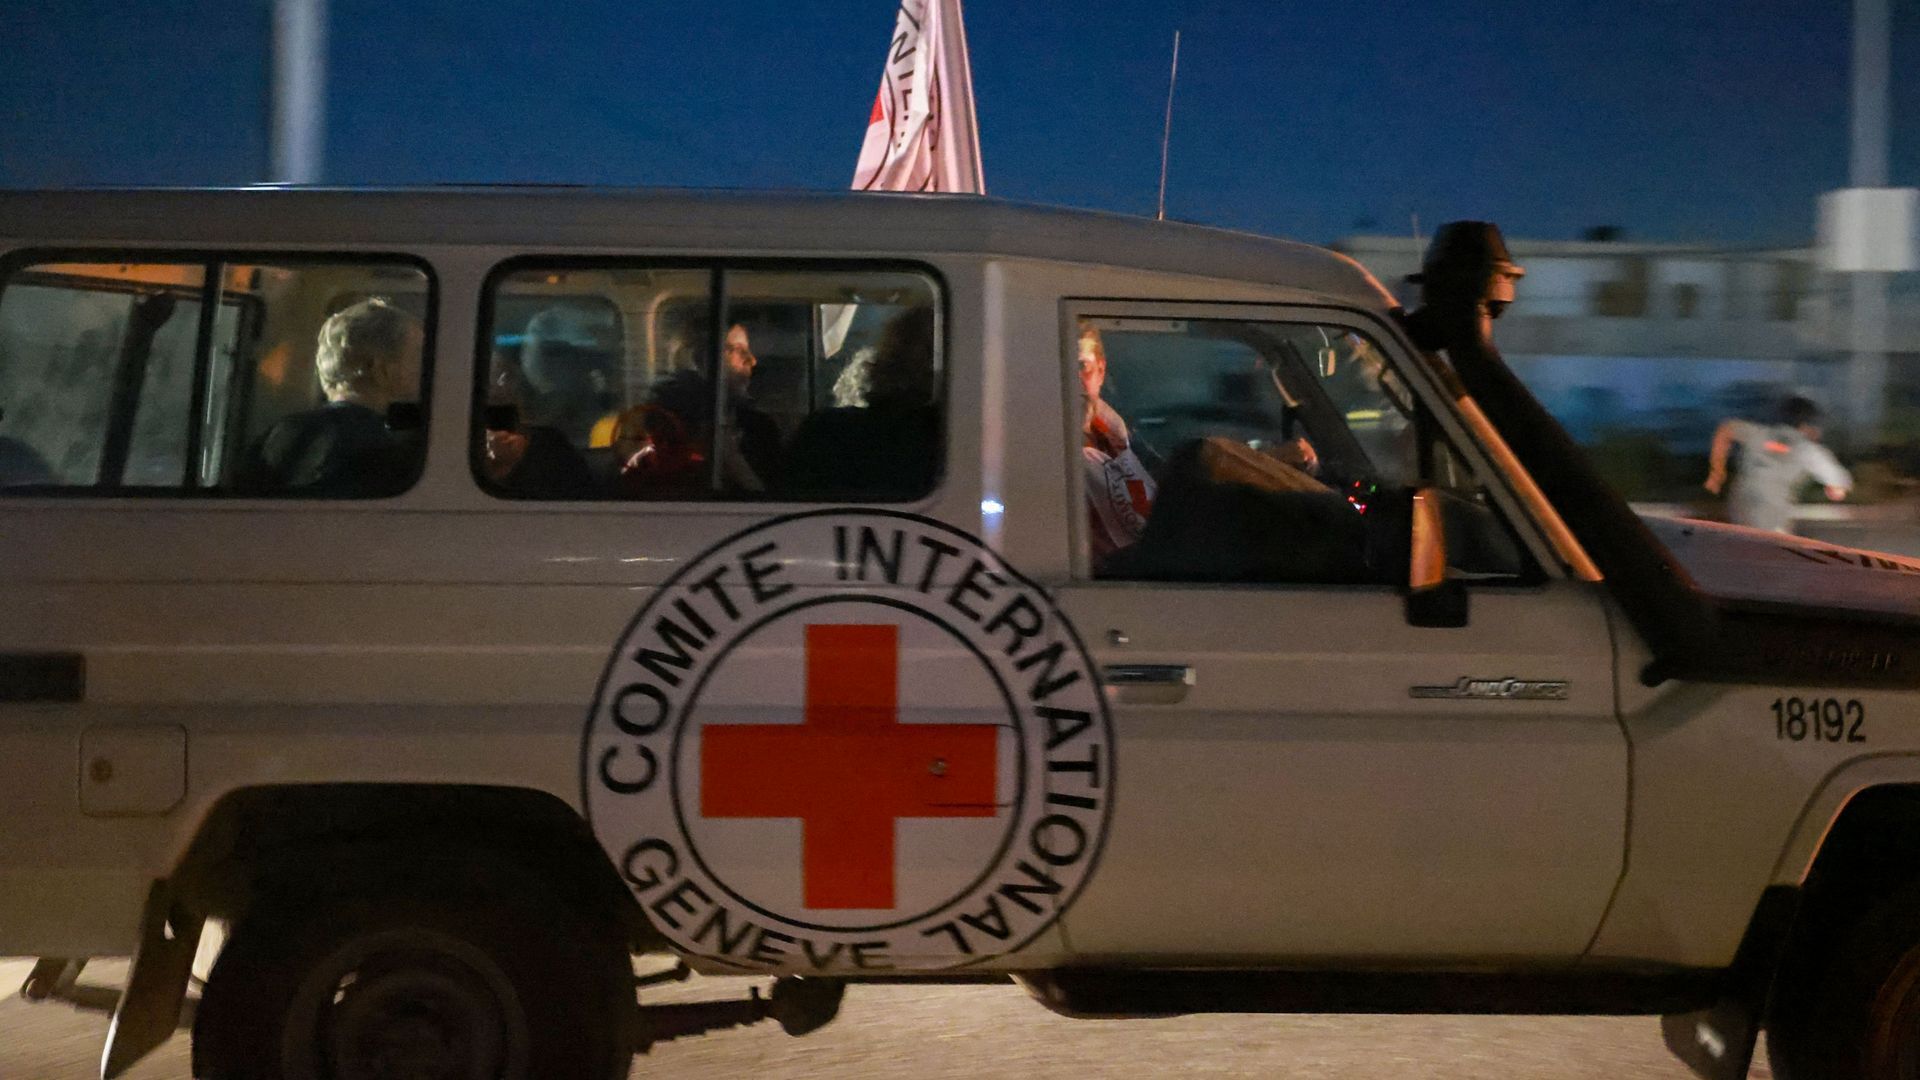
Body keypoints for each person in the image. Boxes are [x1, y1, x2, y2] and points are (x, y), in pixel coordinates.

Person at [238, 298, 423, 497]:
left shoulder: (275, 436)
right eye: (417, 358)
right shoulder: (389, 455)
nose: (425, 370)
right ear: (381, 370)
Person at [640, 323, 782, 494]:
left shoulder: (760, 428)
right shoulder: (666, 422)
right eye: (736, 350)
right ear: (703, 361)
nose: (752, 360)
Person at [1704, 395, 1853, 534]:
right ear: (1806, 425)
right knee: (1772, 548)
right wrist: (1835, 489)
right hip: (1772, 512)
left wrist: (1717, 472)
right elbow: (1840, 483)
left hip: (1741, 502)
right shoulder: (1808, 450)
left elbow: (1726, 429)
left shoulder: (1759, 433)